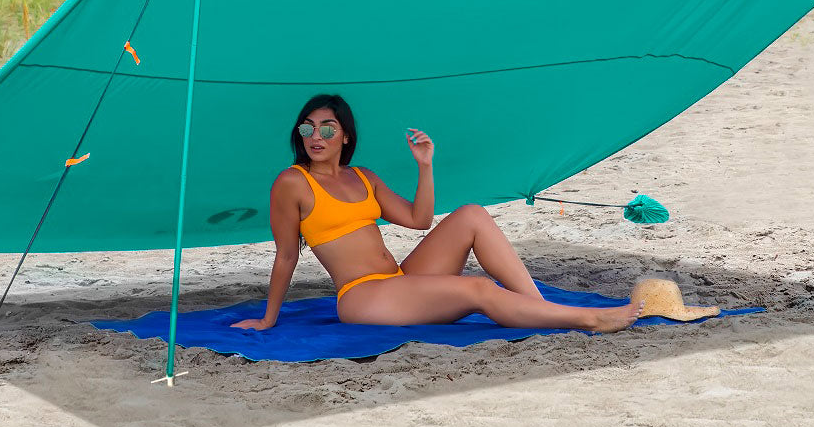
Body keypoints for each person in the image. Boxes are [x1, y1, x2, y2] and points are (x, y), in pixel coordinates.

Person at [230, 93, 642, 333]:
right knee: (478, 290)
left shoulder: (363, 176)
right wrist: (268, 319)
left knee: (470, 215)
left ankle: (539, 308)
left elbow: (419, 220)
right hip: (361, 297)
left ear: (345, 136)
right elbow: (286, 255)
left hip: (397, 281)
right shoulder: (292, 182)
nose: (315, 137)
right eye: (307, 128)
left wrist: (424, 166)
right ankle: (586, 319)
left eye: (326, 128)